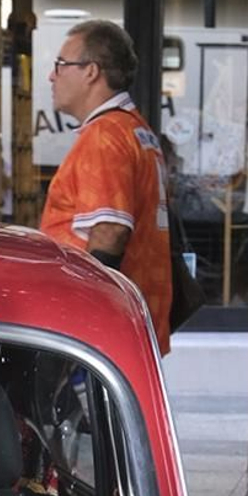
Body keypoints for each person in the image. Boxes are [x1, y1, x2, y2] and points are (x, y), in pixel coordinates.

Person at [38, 20, 172, 351]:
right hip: (133, 322)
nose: (52, 76)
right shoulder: (135, 129)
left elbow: (110, 231)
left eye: (60, 64)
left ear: (91, 72)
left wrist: (85, 314)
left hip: (100, 330)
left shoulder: (105, 135)